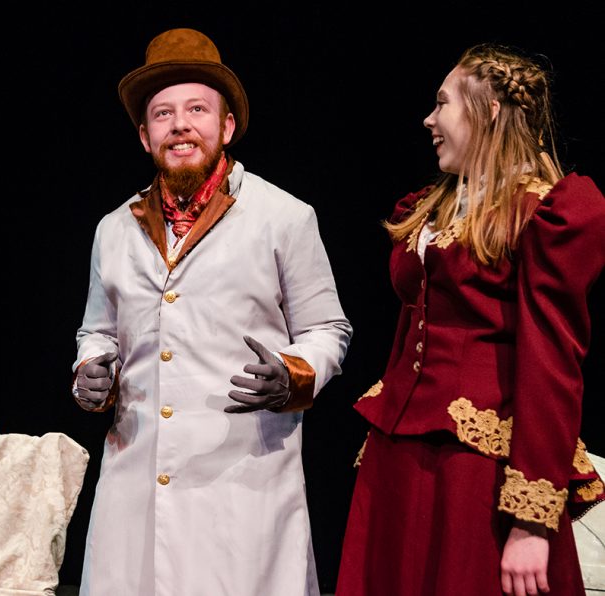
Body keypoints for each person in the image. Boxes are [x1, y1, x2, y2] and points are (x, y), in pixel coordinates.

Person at [72, 28, 352, 596]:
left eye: (197, 109)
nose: (179, 124)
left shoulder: (283, 217)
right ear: (144, 134)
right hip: (137, 482)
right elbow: (96, 331)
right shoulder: (113, 228)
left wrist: (295, 373)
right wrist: (89, 371)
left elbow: (327, 328)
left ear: (226, 126)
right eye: (162, 114)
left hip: (242, 480)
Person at [336, 44, 605, 596]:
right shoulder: (434, 205)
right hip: (398, 456)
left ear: (487, 113)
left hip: (477, 471)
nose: (428, 119)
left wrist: (532, 518)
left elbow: (551, 363)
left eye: (442, 104)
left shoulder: (545, 211)